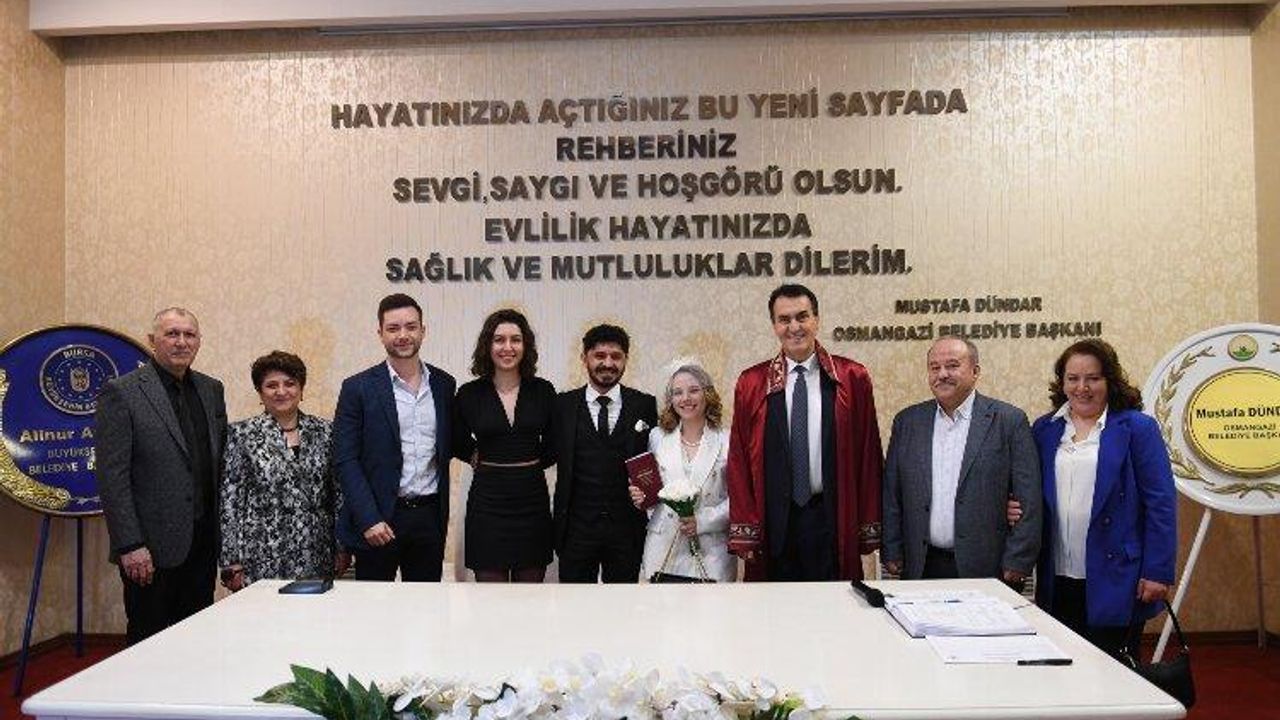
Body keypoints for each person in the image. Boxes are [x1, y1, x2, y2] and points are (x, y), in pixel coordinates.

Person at [1011, 338, 1177, 656]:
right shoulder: (1044, 429)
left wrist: (1158, 570)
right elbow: (1028, 488)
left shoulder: (1138, 428)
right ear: (1062, 383)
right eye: (1073, 378)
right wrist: (1013, 505)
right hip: (1057, 572)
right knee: (1062, 663)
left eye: (1093, 378)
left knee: (1113, 667)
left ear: (1109, 380)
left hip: (1118, 575)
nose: (1082, 388)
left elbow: (1161, 503)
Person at [726, 284, 884, 582]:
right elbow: (739, 459)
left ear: (817, 320)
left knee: (833, 603)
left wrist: (867, 525)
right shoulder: (752, 382)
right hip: (773, 521)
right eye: (784, 319)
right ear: (774, 325)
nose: (794, 327)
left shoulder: (852, 377)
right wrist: (746, 529)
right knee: (773, 606)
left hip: (831, 516)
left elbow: (868, 454)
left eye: (802, 317)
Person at [96, 307, 227, 644]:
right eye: (172, 334)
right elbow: (112, 476)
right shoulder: (122, 392)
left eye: (189, 334)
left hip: (202, 543)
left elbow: (216, 465)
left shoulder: (212, 389)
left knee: (196, 639)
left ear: (199, 341)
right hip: (149, 548)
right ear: (152, 340)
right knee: (148, 641)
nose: (181, 342)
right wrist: (130, 544)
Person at [880, 337, 1041, 586]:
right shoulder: (908, 422)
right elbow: (892, 493)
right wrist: (891, 549)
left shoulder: (1009, 421)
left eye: (952, 365)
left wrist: (1019, 560)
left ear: (975, 371)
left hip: (987, 566)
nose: (942, 374)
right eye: (934, 367)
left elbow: (1028, 498)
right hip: (921, 564)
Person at [334, 293, 455, 582]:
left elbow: (452, 441)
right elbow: (345, 459)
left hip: (428, 517)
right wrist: (368, 518)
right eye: (393, 328)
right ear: (380, 333)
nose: (403, 335)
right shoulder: (357, 388)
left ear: (423, 331)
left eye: (411, 327)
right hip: (378, 518)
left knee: (425, 604)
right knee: (375, 605)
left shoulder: (443, 384)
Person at [219, 351, 349, 590]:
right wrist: (231, 560)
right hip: (262, 555)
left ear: (301, 389)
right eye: (271, 385)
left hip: (316, 552)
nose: (281, 391)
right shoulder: (241, 434)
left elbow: (338, 495)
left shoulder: (326, 432)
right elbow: (231, 501)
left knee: (313, 613)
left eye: (289, 383)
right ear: (260, 393)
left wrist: (342, 547)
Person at [453, 309, 556, 582]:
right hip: (487, 504)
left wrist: (528, 460)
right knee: (489, 599)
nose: (507, 347)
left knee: (530, 598)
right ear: (487, 346)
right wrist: (474, 455)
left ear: (526, 345)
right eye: (499, 340)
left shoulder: (543, 391)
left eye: (515, 340)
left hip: (532, 502)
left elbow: (556, 442)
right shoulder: (469, 393)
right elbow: (453, 438)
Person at [552, 324, 658, 583]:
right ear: (584, 358)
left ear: (625, 360)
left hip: (627, 529)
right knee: (574, 603)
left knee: (624, 605)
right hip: (575, 529)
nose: (608, 363)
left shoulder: (644, 404)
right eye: (599, 355)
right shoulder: (562, 405)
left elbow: (655, 457)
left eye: (616, 356)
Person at [630, 362, 737, 583]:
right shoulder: (657, 437)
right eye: (677, 392)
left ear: (707, 394)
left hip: (711, 550)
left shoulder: (728, 440)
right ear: (671, 399)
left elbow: (738, 499)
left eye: (693, 390)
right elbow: (652, 493)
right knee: (662, 606)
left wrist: (702, 521)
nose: (685, 398)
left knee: (712, 606)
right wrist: (640, 497)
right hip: (663, 547)